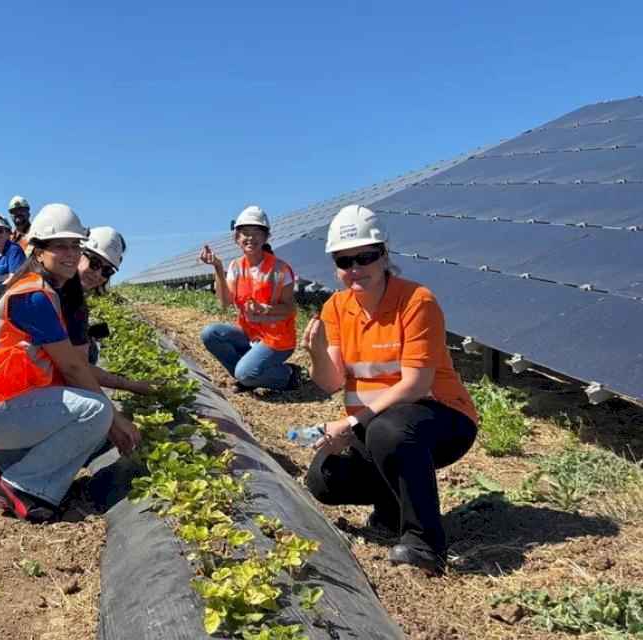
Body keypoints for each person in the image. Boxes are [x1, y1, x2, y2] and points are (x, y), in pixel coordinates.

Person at [302, 205, 479, 575]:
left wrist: (353, 425)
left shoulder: (416, 301)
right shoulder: (336, 307)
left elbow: (416, 384)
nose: (354, 269)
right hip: (379, 424)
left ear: (384, 255)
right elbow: (331, 382)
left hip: (441, 417)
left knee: (391, 430)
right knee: (323, 478)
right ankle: (391, 504)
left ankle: (424, 543)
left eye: (364, 257)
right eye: (344, 260)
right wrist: (317, 352)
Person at [0, 204, 143, 523]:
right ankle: (23, 487)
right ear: (38, 251)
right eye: (60, 246)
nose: (71, 255)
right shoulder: (36, 296)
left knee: (97, 418)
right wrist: (118, 416)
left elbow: (70, 366)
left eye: (74, 246)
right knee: (96, 412)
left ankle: (2, 459)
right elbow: (73, 369)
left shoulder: (47, 291)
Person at [197, 206, 302, 392]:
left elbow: (289, 309)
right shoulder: (236, 267)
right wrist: (218, 268)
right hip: (250, 335)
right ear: (237, 238)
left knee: (245, 373)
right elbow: (224, 303)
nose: (250, 238)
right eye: (245, 233)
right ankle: (248, 377)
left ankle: (288, 374)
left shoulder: (280, 269)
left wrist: (266, 309)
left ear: (266, 237)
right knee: (210, 333)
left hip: (277, 339)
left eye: (256, 233)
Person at [65, 226, 154, 394]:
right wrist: (132, 386)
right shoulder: (65, 295)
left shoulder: (72, 291)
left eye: (107, 270)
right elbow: (78, 369)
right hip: (25, 387)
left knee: (89, 344)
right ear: (79, 252)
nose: (98, 274)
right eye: (94, 263)